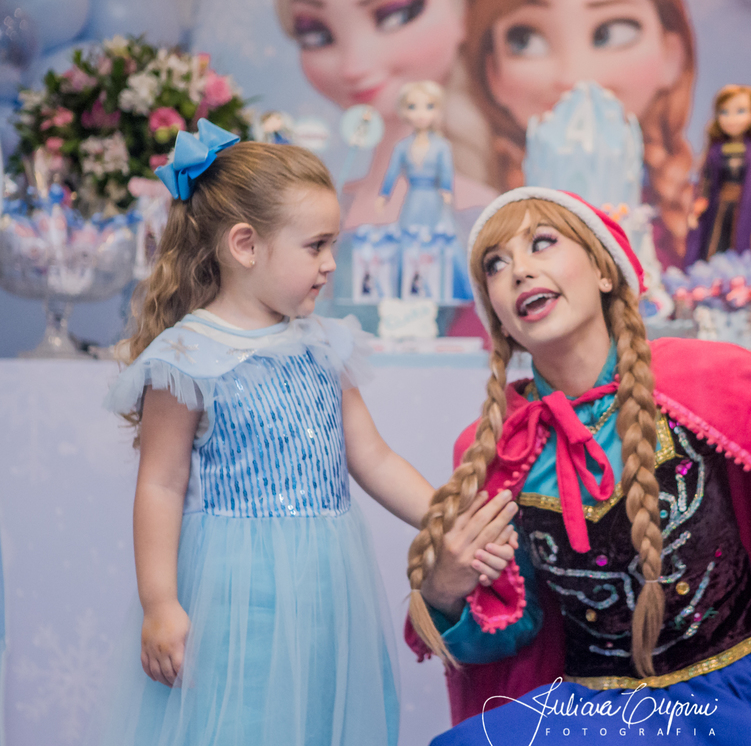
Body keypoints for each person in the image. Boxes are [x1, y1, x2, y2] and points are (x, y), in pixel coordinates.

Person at [405, 172, 751, 744]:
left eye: (542, 243)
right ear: (498, 316)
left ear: (605, 271)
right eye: (495, 264)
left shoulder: (701, 378)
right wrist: (443, 593)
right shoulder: (499, 448)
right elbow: (515, 633)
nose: (518, 270)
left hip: (738, 704)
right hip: (599, 719)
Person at [99, 121, 518, 745]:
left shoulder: (323, 344)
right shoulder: (187, 356)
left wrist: (448, 519)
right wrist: (160, 603)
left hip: (326, 581)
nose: (329, 264)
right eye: (316, 246)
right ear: (246, 245)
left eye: (333, 245)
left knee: (317, 717)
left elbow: (372, 457)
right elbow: (160, 484)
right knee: (244, 722)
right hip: (237, 592)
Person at [463, 0, 696, 261]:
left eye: (610, 33)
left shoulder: (701, 221)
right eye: (526, 40)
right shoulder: (469, 223)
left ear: (671, 54)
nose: (572, 75)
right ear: (492, 71)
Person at [260, 0, 495, 228]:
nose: (353, 67)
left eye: (395, 15)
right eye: (316, 34)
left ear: (465, 4)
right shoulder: (332, 205)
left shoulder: (478, 209)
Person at [686, 85, 751, 265]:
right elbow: (707, 179)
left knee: (742, 238)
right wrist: (700, 202)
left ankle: (740, 270)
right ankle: (712, 268)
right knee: (715, 239)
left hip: (746, 204)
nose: (730, 118)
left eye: (740, 111)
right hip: (719, 204)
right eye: (724, 112)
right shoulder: (716, 151)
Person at [377, 80, 455, 230]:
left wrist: (446, 190)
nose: (421, 114)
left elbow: (446, 171)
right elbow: (392, 172)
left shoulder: (441, 146)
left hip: (433, 199)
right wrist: (384, 194)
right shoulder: (402, 146)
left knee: (436, 231)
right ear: (404, 110)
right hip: (413, 198)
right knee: (410, 229)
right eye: (412, 107)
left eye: (429, 106)